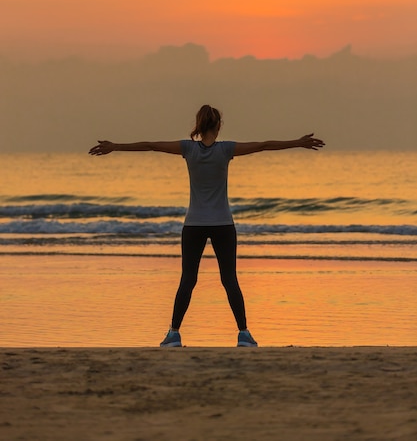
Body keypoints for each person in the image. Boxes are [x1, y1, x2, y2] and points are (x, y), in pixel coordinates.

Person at [89, 104, 325, 347]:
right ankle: (243, 334)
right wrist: (297, 142)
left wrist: (115, 146)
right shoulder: (226, 150)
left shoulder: (188, 149)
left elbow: (151, 145)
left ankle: (173, 334)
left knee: (188, 280)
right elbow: (264, 145)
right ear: (218, 126)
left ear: (199, 125)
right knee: (229, 279)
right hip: (223, 223)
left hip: (194, 225)